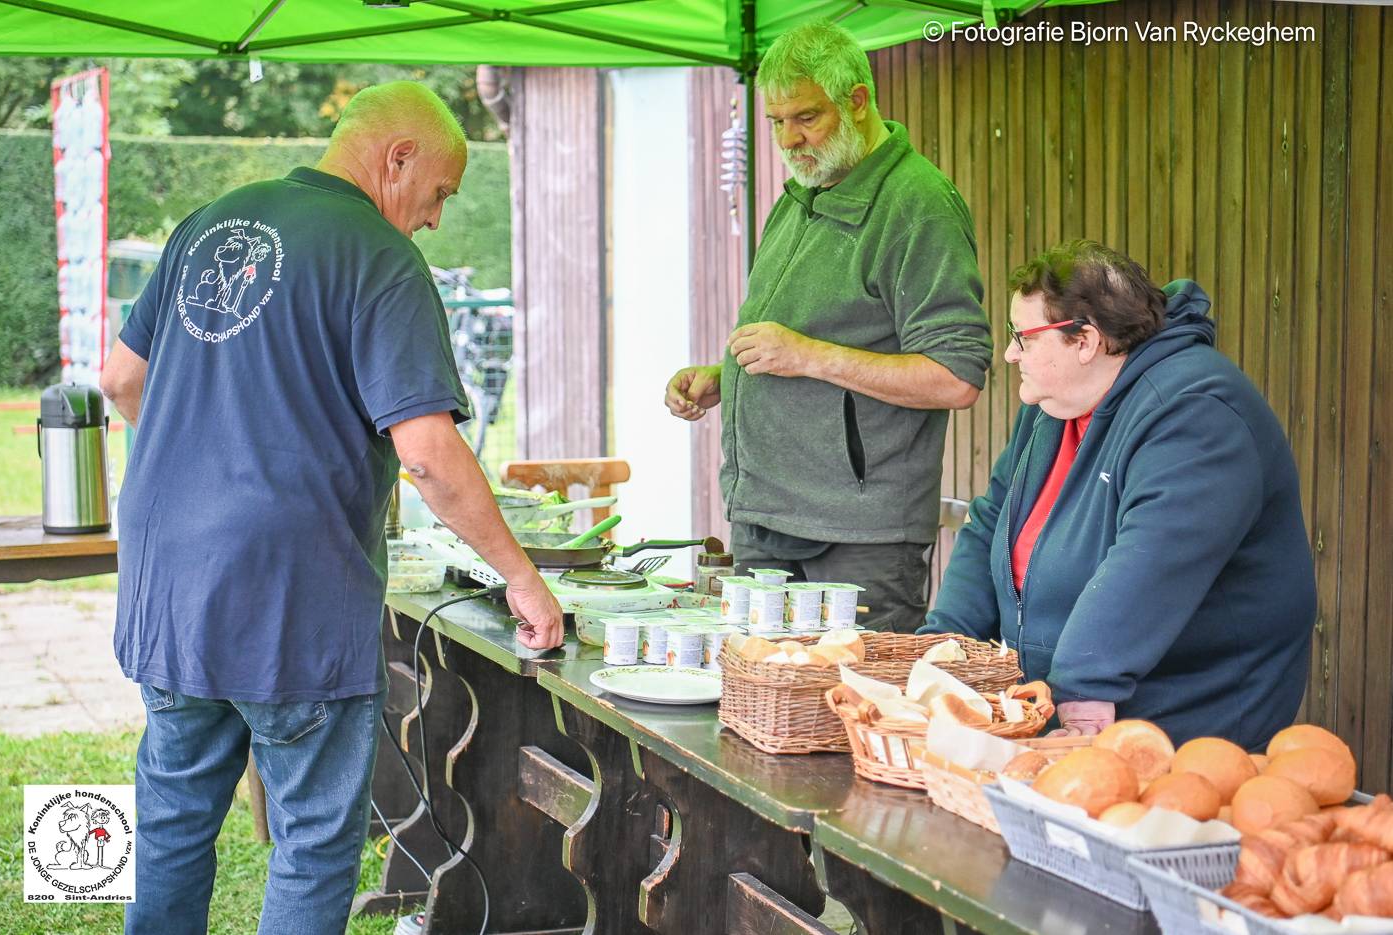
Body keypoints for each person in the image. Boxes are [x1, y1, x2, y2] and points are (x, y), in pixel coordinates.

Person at [99, 81, 563, 935]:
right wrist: (523, 580)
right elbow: (427, 454)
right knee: (313, 838)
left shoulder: (209, 223)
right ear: (397, 158)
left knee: (171, 819)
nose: (433, 220)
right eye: (438, 194)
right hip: (291, 599)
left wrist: (208, 468)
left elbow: (121, 379)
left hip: (169, 584)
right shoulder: (379, 258)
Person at [920, 240, 1316, 750]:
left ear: (1085, 340)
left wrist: (1084, 685)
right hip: (1062, 705)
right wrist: (947, 641)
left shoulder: (1196, 411)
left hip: (1186, 723)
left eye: (1023, 336)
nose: (1009, 352)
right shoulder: (1050, 406)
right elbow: (992, 520)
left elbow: (1152, 561)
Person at [664, 20, 993, 633]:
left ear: (858, 101)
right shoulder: (800, 193)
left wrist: (809, 356)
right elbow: (801, 339)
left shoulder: (918, 205)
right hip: (766, 516)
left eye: (807, 117)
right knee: (760, 705)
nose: (790, 139)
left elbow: (955, 377)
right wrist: (727, 376)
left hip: (858, 537)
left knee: (853, 712)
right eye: (777, 122)